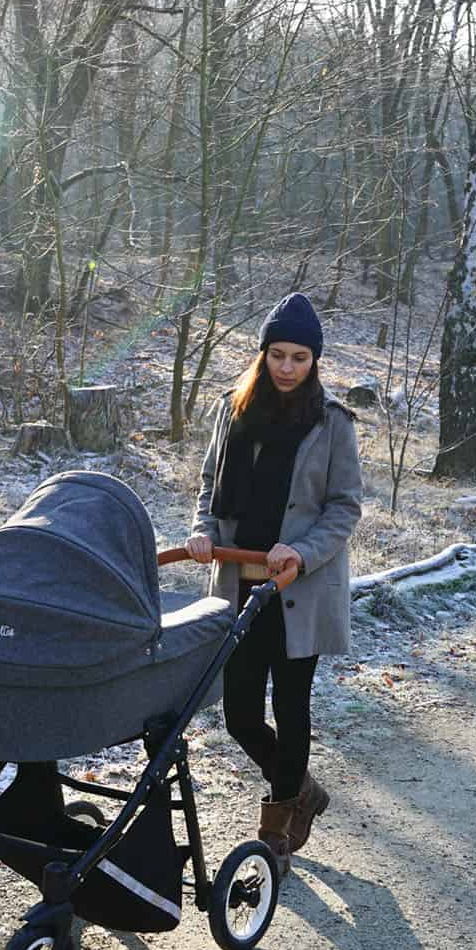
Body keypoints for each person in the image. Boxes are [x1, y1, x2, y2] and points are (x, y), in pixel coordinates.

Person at [186, 293, 362, 874]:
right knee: (238, 713)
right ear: (262, 354)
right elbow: (210, 486)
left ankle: (278, 828)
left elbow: (343, 509)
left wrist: (303, 550)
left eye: (300, 358)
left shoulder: (332, 423)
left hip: (298, 593)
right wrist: (201, 532)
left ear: (315, 362)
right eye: (278, 355)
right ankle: (303, 790)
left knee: (290, 707)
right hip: (239, 586)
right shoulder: (231, 410)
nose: (287, 368)